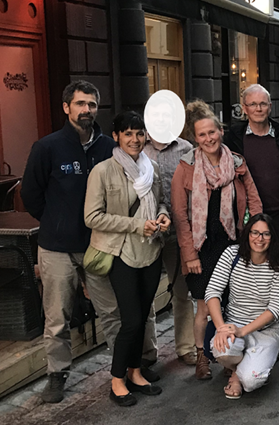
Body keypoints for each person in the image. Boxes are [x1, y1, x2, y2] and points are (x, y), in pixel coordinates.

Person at [21, 81, 157, 403]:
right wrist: (57, 222)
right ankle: (58, 374)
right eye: (80, 104)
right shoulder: (48, 147)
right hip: (58, 247)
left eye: (92, 105)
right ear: (66, 107)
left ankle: (124, 368)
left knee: (113, 312)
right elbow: (31, 195)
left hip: (102, 247)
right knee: (57, 316)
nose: (86, 110)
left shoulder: (108, 148)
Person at [84, 111, 171, 406]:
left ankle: (135, 372)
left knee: (143, 315)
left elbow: (159, 200)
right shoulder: (103, 171)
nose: (135, 139)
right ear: (117, 136)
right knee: (131, 321)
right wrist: (136, 225)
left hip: (151, 250)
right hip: (120, 253)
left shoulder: (153, 168)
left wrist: (162, 215)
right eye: (128, 133)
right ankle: (117, 379)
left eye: (139, 133)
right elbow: (92, 217)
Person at [172, 100, 263, 380]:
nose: (208, 138)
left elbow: (254, 201)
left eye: (212, 132)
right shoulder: (186, 167)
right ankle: (202, 356)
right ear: (195, 139)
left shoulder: (235, 163)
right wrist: (189, 255)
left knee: (230, 303)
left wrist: (257, 237)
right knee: (203, 306)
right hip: (201, 249)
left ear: (220, 131)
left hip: (231, 244)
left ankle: (228, 355)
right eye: (202, 135)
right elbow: (180, 214)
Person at [207, 214, 279, 399]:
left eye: (266, 234)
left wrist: (242, 331)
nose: (259, 239)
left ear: (273, 237)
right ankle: (240, 365)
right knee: (222, 350)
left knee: (252, 382)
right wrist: (221, 328)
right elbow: (212, 292)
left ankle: (238, 374)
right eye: (255, 232)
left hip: (266, 330)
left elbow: (275, 309)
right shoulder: (231, 254)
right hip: (232, 323)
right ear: (247, 234)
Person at [142, 129, 196, 366]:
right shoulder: (138, 147)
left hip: (178, 231)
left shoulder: (185, 148)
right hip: (146, 232)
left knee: (182, 291)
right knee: (145, 293)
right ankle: (147, 350)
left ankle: (186, 346)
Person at [223, 84, 279, 229]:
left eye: (263, 104)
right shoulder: (233, 140)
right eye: (253, 104)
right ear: (245, 108)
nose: (258, 109)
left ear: (270, 107)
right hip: (248, 216)